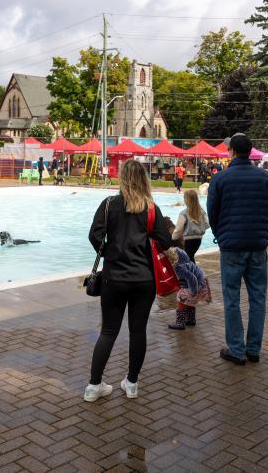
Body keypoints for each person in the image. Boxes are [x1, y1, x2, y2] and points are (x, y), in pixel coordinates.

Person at [85, 159, 172, 401]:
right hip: (144, 279)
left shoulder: (109, 204)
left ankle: (94, 386)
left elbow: (95, 235)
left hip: (114, 277)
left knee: (108, 331)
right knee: (138, 332)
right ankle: (132, 383)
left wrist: (109, 253)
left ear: (123, 178)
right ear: (144, 179)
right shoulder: (151, 208)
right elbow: (165, 242)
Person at [207, 133, 268, 366]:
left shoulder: (220, 179)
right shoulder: (266, 178)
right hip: (257, 244)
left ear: (233, 152)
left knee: (231, 298)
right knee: (258, 298)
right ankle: (254, 349)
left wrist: (221, 236)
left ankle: (237, 350)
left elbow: (213, 215)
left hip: (232, 247)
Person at [166, 246, 211, 330]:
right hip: (201, 281)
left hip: (196, 284)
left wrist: (193, 292)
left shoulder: (178, 267)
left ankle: (180, 323)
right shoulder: (187, 263)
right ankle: (191, 320)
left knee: (181, 299)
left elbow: (192, 278)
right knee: (189, 301)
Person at [172, 189, 209, 262]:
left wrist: (173, 237)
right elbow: (207, 224)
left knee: (186, 260)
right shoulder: (202, 212)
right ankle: (195, 272)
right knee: (191, 257)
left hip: (187, 241)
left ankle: (194, 272)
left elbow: (178, 230)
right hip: (198, 239)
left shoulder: (184, 213)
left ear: (187, 199)